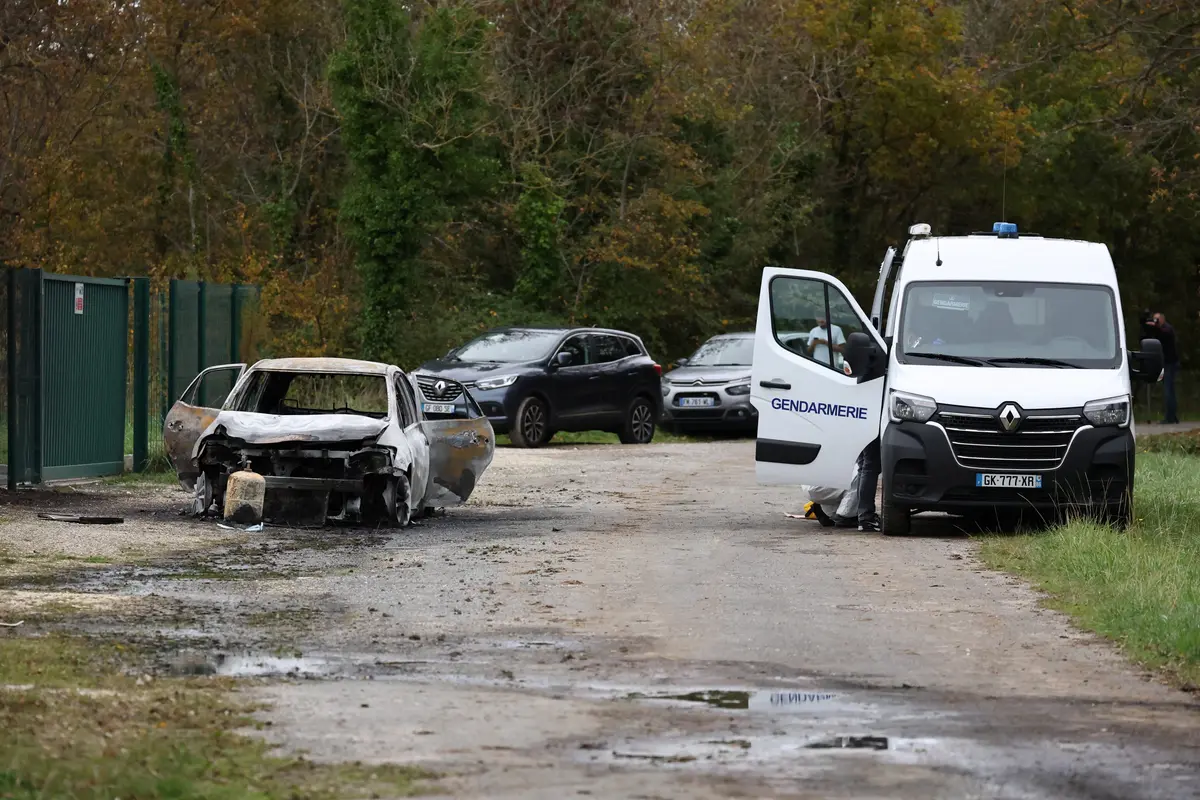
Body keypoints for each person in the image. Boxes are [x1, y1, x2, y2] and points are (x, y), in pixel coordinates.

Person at [1152, 312, 1181, 424]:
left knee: (1168, 390)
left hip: (1170, 363)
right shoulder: (1160, 331)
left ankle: (1170, 416)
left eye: (1157, 320)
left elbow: (1165, 334)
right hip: (1167, 363)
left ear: (1162, 320)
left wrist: (1156, 328)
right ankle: (1172, 416)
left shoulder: (1167, 329)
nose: (1156, 322)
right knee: (1170, 390)